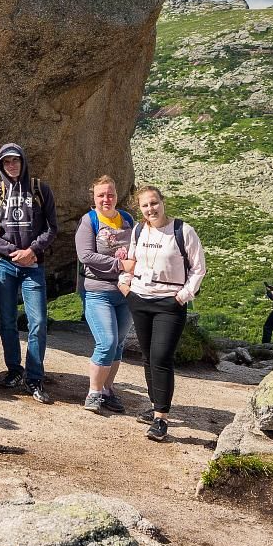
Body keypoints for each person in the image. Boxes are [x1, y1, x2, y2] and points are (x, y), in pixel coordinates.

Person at [120, 186, 206, 442]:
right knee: (148, 356)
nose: (151, 209)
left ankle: (161, 418)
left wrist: (183, 296)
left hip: (169, 303)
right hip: (140, 299)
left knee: (161, 357)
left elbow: (198, 269)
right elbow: (131, 261)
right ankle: (155, 404)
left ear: (162, 202)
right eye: (145, 206)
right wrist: (125, 284)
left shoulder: (183, 231)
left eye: (154, 203)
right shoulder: (138, 230)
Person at [0, 143, 58, 405]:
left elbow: (52, 228)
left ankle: (34, 377)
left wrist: (33, 250)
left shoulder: (40, 189)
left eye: (15, 160)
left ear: (23, 161)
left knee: (37, 322)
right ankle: (14, 370)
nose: (12, 165)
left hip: (33, 265)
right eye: (6, 162)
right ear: (1, 166)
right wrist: (16, 251)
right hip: (6, 265)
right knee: (7, 321)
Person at [75, 175, 135, 415]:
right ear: (94, 198)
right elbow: (86, 256)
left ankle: (108, 390)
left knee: (118, 344)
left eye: (110, 194)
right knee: (107, 341)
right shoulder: (89, 221)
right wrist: (120, 265)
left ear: (117, 196)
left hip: (126, 292)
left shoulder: (128, 220)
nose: (106, 199)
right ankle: (94, 392)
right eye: (101, 195)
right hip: (97, 290)